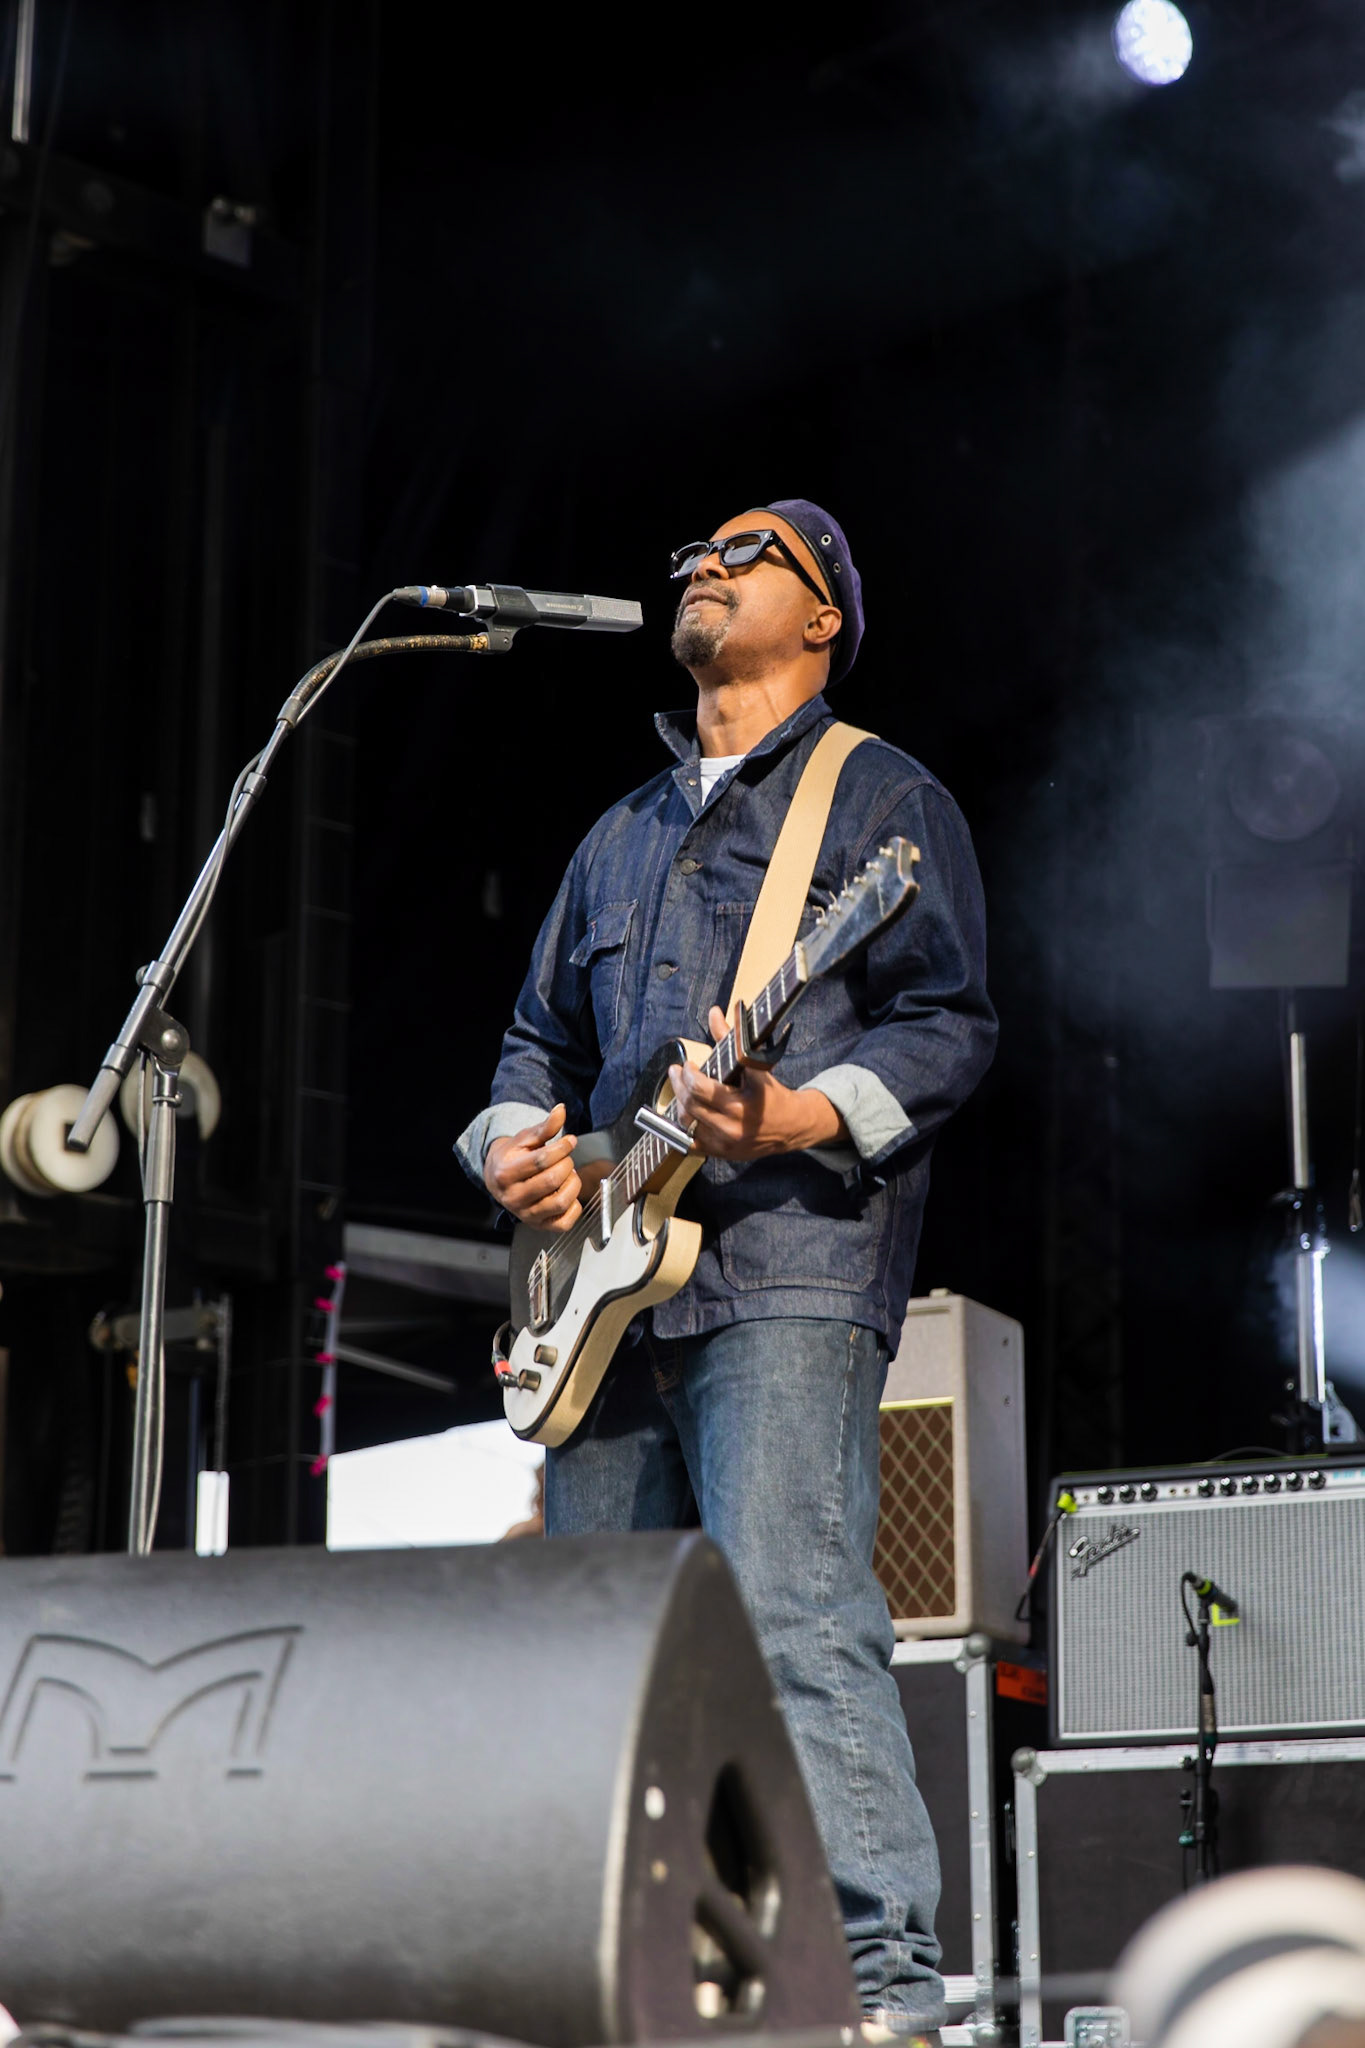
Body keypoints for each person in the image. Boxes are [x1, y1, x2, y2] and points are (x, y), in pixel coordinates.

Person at [456, 500, 997, 2039]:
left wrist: (801, 1110)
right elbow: (527, 1049)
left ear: (824, 617)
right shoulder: (617, 832)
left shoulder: (883, 803)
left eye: (750, 549)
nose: (704, 559)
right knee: (600, 1647)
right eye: (696, 547)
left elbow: (950, 1026)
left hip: (788, 1268)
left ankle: (883, 1991)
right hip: (597, 1293)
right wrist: (513, 1147)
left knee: (789, 1615)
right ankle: (628, 1983)